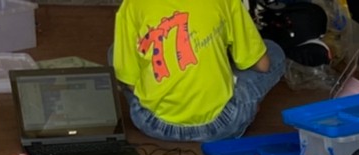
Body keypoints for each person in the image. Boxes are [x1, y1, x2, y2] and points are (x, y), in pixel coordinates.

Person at [112, 0, 285, 143]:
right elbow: (263, 65)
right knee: (273, 51)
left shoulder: (132, 4)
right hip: (222, 125)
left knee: (115, 52)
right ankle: (239, 100)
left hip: (153, 124)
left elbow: (128, 82)